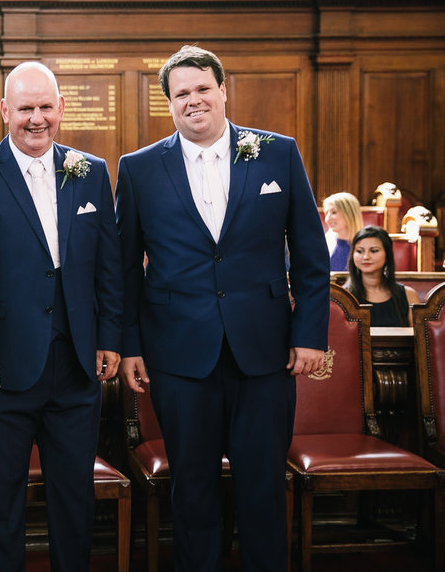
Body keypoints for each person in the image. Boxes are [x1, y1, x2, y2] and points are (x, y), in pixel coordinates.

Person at [115, 45, 329, 572]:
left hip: (265, 353)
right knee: (193, 490)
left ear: (224, 90)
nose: (193, 101)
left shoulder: (278, 153)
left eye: (202, 89)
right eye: (181, 94)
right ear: (169, 103)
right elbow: (121, 270)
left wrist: (310, 335)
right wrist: (131, 346)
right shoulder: (140, 169)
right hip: (179, 356)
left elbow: (310, 255)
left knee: (262, 487)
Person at [0, 61, 123, 571]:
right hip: (4, 369)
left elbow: (109, 266)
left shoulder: (90, 171)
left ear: (61, 108)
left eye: (46, 107)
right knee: (1, 498)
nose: (36, 118)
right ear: (5, 111)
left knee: (74, 496)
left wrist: (109, 334)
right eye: (26, 108)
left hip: (76, 366)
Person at [344, 225, 419, 326]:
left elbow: (420, 338)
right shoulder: (344, 297)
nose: (366, 257)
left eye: (374, 251)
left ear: (387, 254)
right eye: (359, 251)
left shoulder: (408, 295)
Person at [323, 191, 363, 271]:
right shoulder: (323, 244)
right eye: (326, 213)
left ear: (349, 213)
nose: (327, 219)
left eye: (334, 212)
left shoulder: (366, 245)